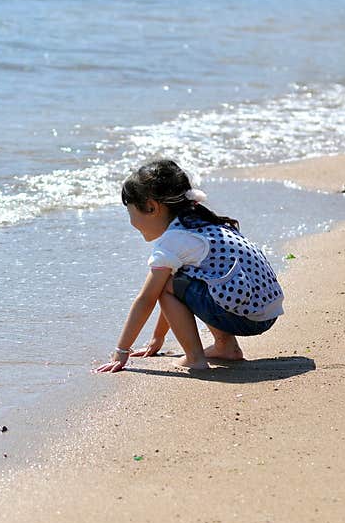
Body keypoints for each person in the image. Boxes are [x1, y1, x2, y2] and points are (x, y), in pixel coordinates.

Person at [94, 159, 284, 374]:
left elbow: (147, 298)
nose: (131, 222)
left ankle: (195, 358)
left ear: (151, 207)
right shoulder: (201, 222)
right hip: (265, 309)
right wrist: (158, 338)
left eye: (130, 213)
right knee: (179, 282)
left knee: (166, 285)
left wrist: (121, 351)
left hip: (247, 316)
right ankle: (226, 346)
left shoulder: (175, 239)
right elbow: (178, 291)